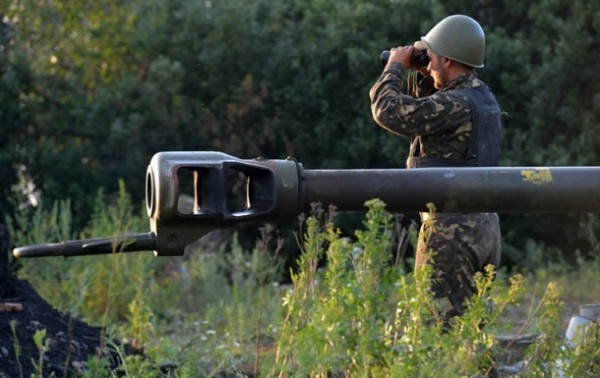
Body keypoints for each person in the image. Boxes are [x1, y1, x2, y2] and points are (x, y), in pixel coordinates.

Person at [369, 15, 503, 323]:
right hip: (483, 229)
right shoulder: (481, 97)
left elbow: (387, 110)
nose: (427, 62)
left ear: (446, 59)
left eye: (431, 56)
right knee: (470, 332)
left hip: (451, 233)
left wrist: (395, 67)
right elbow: (433, 121)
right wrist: (426, 74)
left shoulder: (453, 104)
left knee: (441, 334)